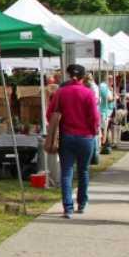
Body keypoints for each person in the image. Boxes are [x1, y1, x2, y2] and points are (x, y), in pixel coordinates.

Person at [46, 64, 101, 219]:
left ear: (68, 75)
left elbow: (50, 114)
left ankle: (68, 207)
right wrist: (94, 130)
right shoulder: (88, 93)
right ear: (84, 77)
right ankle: (82, 203)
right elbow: (94, 117)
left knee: (67, 172)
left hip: (66, 136)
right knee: (83, 171)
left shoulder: (60, 92)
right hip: (86, 137)